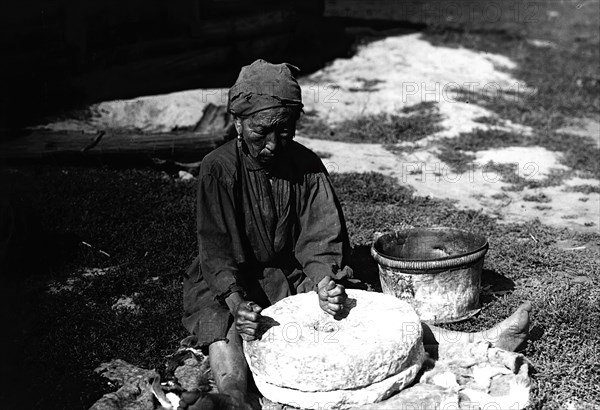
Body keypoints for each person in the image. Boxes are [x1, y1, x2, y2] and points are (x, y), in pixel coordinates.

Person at [179, 60, 531, 410]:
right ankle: (234, 396)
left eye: (285, 131)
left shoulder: (306, 165)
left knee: (356, 307)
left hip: (290, 271)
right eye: (261, 132)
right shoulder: (218, 169)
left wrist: (324, 283)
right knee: (223, 320)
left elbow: (320, 239)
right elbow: (216, 249)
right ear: (238, 123)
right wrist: (238, 303)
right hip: (230, 280)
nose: (273, 144)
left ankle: (479, 344)